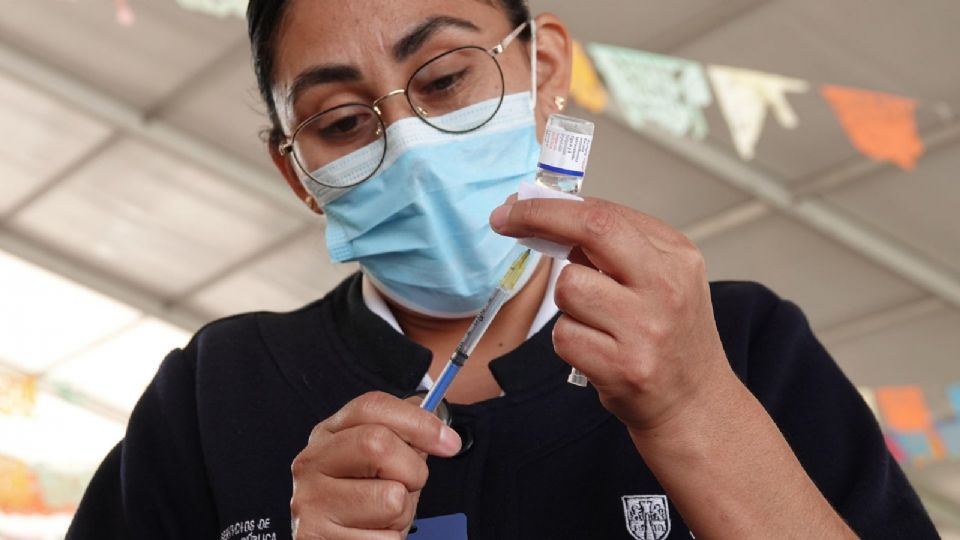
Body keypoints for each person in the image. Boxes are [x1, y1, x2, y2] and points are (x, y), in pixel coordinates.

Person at [67, 0, 938, 539]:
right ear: (299, 172)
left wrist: (692, 409)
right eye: (340, 121)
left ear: (544, 67)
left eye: (445, 78)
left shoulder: (738, 342)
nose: (406, 143)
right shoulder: (216, 396)